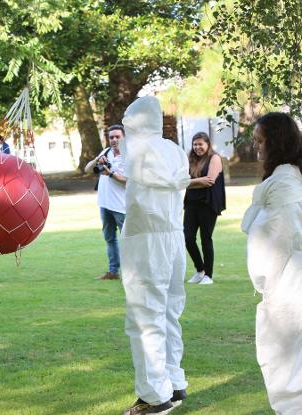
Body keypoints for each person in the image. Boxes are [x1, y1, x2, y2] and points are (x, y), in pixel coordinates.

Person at [119, 96, 190, 415]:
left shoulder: (137, 147)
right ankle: (174, 382)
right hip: (174, 238)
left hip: (147, 239)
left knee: (146, 317)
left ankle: (154, 396)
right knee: (169, 312)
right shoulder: (173, 150)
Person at [242, 112, 302, 414]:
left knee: (285, 369)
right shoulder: (284, 178)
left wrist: (274, 288)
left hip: (288, 286)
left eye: (260, 141)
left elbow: (287, 235)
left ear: (275, 143)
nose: (257, 148)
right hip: (283, 285)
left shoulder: (286, 183)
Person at [85, 125, 127, 280]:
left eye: (117, 137)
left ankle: (133, 272)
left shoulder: (129, 157)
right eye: (111, 137)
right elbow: (87, 169)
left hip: (121, 206)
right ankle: (113, 272)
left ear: (124, 138)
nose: (114, 140)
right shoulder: (106, 152)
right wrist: (98, 159)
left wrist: (111, 174)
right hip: (105, 204)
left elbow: (129, 182)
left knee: (128, 241)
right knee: (110, 239)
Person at [184, 132, 226, 285]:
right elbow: (180, 176)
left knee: (205, 239)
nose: (197, 147)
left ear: (207, 144)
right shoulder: (190, 159)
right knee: (187, 238)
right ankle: (200, 270)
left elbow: (209, 180)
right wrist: (188, 181)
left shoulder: (214, 158)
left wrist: (186, 182)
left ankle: (208, 275)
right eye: (195, 144)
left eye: (200, 144)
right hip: (191, 202)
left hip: (208, 203)